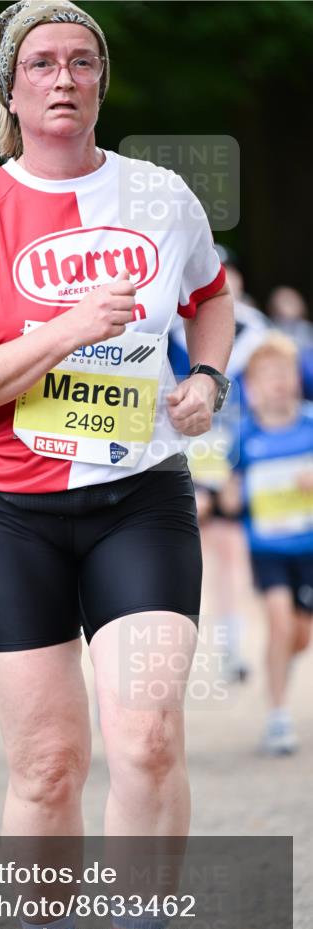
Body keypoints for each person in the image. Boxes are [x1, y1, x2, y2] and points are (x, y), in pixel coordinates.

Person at [0, 3, 234, 929]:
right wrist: (63, 330)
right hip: (8, 509)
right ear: (10, 90)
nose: (63, 78)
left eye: (82, 61)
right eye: (42, 63)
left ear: (100, 81)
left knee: (147, 736)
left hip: (138, 497)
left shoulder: (159, 196)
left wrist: (207, 378)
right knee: (49, 761)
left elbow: (211, 296)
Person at [169, 251, 271, 682]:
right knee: (172, 560)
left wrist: (238, 472)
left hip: (231, 458)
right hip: (179, 458)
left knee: (230, 559)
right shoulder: (168, 330)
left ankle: (231, 648)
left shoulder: (256, 334)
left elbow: (262, 407)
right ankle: (174, 654)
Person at [220, 334, 313, 755]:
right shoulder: (244, 435)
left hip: (308, 549)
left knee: (300, 636)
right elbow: (228, 493)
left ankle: (279, 667)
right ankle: (278, 718)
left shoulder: (310, 425)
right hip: (268, 549)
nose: (279, 383)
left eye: (285, 373)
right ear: (253, 387)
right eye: (268, 376)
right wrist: (230, 495)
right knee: (279, 623)